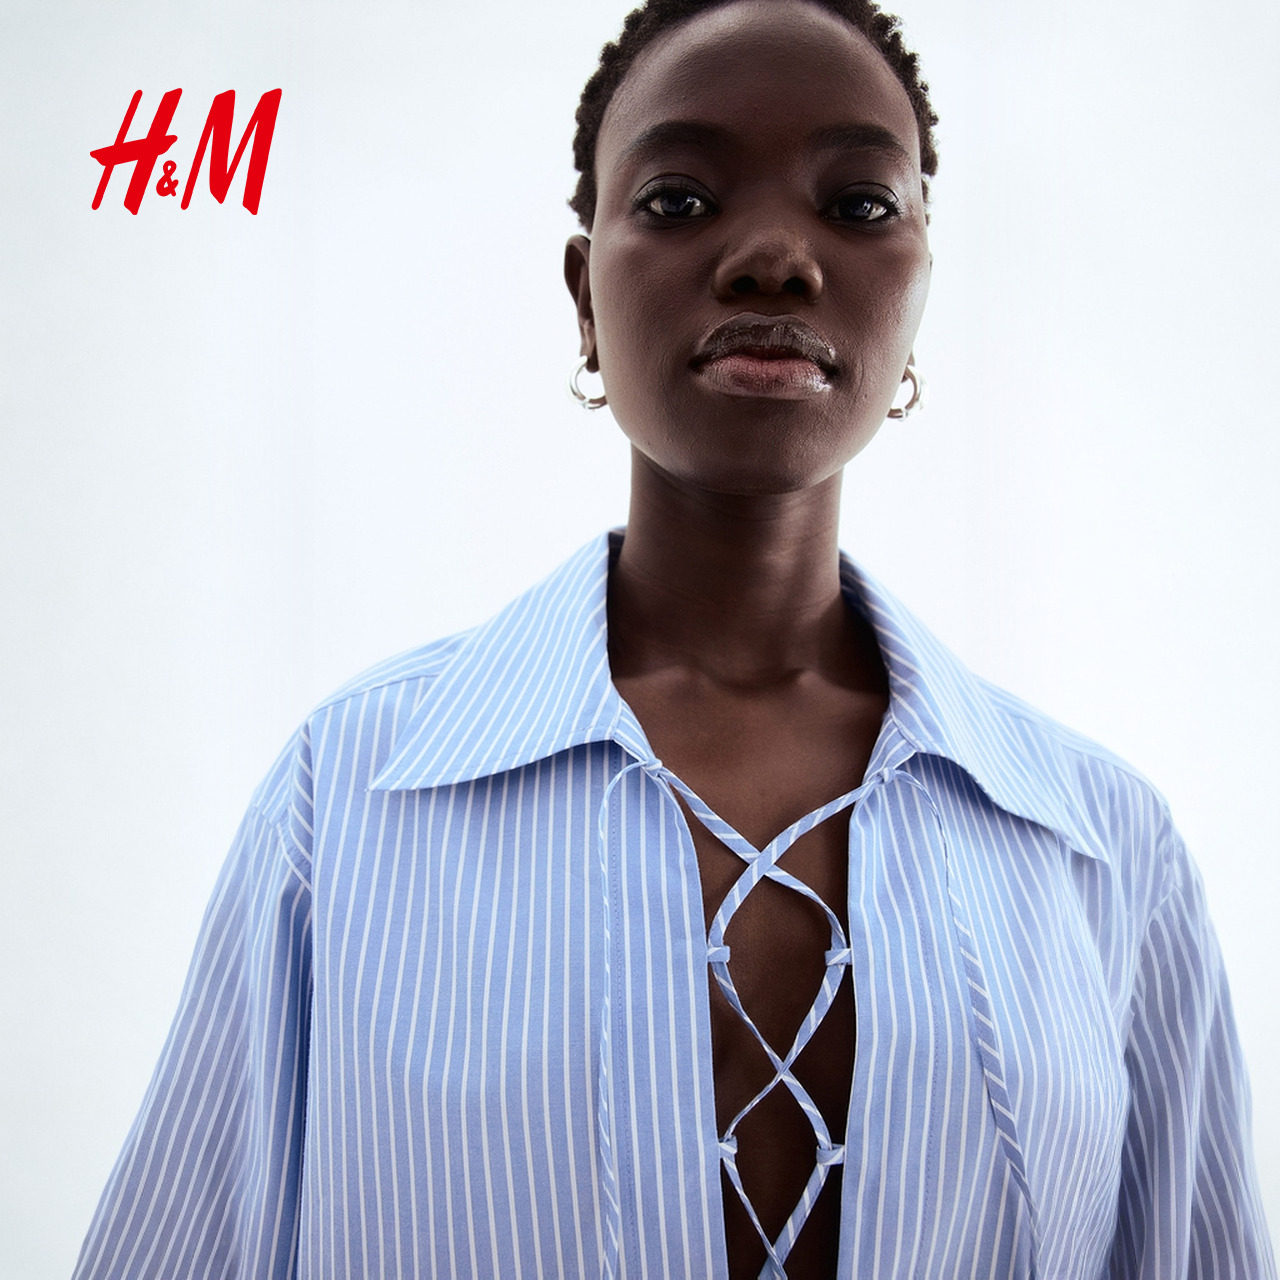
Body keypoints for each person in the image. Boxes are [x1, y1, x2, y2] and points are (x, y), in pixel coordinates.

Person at [72, 1, 1274, 1277]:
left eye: (858, 204)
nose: (771, 256)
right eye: (679, 199)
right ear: (584, 294)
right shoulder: (349, 797)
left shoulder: (1103, 849)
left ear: (919, 287)